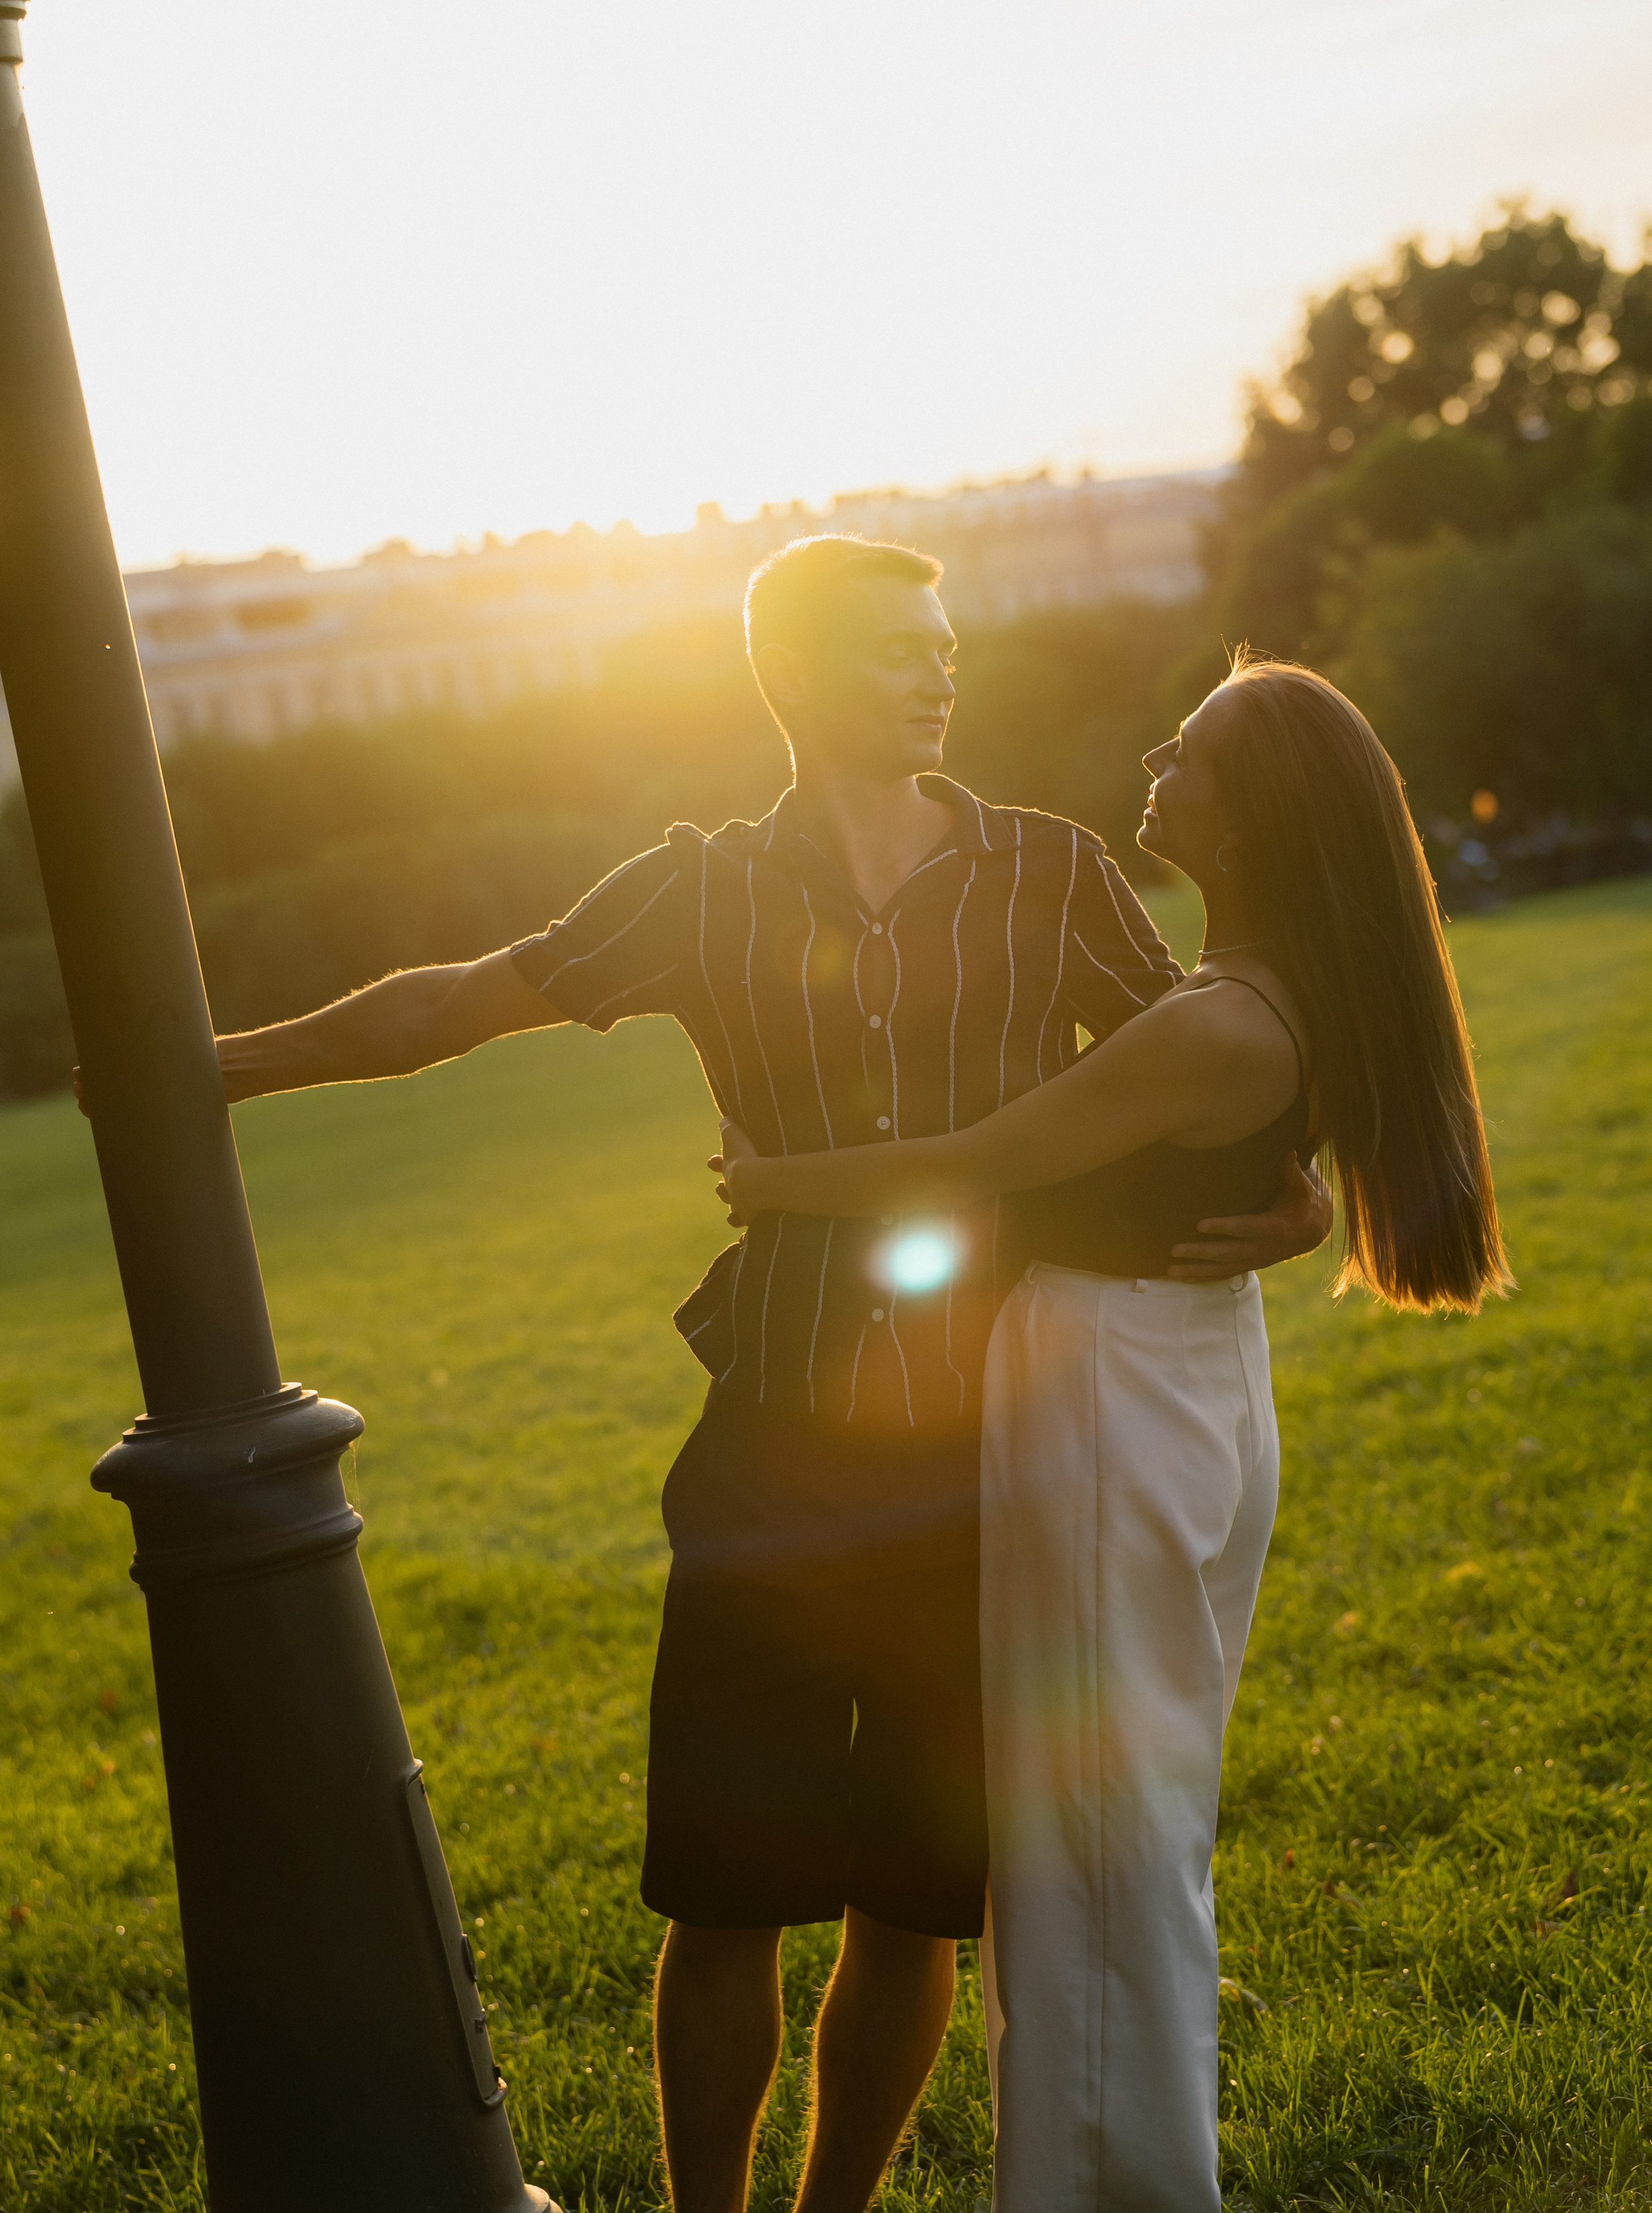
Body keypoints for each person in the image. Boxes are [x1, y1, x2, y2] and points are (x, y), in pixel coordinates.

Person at [204, 538, 1330, 2213]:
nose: (935, 673)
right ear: (789, 677)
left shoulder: (1055, 870)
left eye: (942, 644)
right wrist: (202, 1063)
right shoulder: (697, 886)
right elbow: (452, 1003)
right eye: (891, 648)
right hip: (772, 1458)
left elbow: (1204, 1072)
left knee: (916, 1900)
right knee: (723, 1896)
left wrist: (1300, 1197)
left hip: (1000, 1458)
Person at [713, 652, 1511, 2213]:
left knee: (1091, 1837)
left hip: (1115, 1398)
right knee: (1118, 1823)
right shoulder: (1240, 1000)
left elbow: (981, 1163)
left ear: (1250, 818)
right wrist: (1287, 1210)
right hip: (1166, 1379)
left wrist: (773, 1181)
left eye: (1193, 750)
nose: (1158, 754)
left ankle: (1117, 2191)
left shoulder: (1216, 1025)